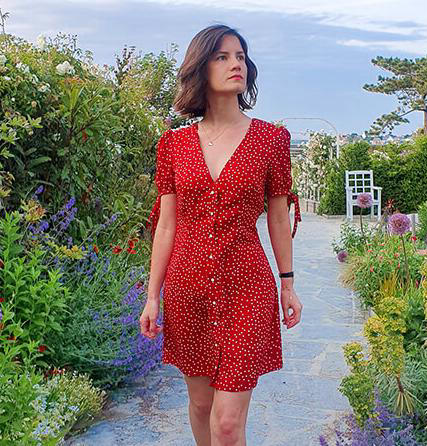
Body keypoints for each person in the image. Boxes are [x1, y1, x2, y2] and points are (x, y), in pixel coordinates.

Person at [140, 24, 303, 446]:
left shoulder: (270, 140)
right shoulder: (174, 145)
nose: (236, 65)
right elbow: (167, 224)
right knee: (200, 406)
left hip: (247, 286)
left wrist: (287, 283)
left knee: (227, 424)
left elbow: (278, 218)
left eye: (241, 57)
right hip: (188, 289)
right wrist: (153, 295)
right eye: (223, 57)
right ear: (200, 67)